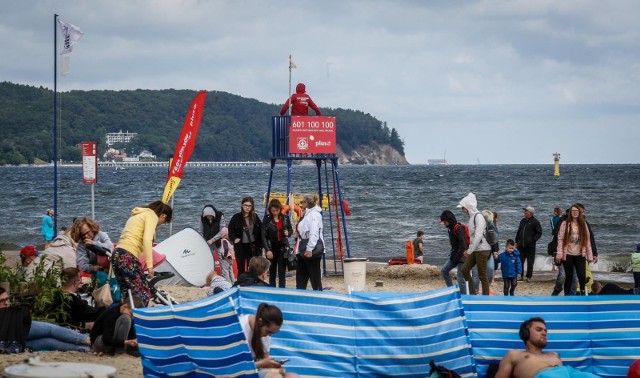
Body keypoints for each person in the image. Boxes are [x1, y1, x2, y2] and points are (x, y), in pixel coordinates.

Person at [112, 200, 173, 307]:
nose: (161, 224)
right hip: (127, 256)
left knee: (127, 293)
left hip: (117, 254)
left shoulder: (138, 214)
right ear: (163, 215)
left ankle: (123, 319)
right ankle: (138, 318)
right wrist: (150, 266)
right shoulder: (152, 215)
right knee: (143, 293)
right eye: (164, 222)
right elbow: (147, 240)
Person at [495, 317, 600, 378]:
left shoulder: (554, 354)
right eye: (539, 329)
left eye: (545, 331)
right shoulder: (514, 354)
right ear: (526, 333)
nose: (544, 333)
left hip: (569, 372)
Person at [0, 287, 91, 352]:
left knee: (49, 341)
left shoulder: (10, 312)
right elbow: (51, 330)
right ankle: (87, 341)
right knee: (50, 332)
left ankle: (87, 346)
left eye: (7, 299)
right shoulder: (9, 316)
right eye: (2, 301)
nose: (7, 303)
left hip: (14, 339)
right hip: (14, 331)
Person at [239, 303, 299, 378]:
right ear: (260, 321)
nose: (269, 336)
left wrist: (273, 365)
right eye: (268, 332)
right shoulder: (239, 329)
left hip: (255, 370)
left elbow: (265, 359)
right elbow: (233, 367)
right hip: (241, 372)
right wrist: (261, 364)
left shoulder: (264, 331)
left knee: (293, 376)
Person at [555, 204, 594, 295]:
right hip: (568, 254)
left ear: (579, 213)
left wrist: (590, 255)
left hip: (580, 254)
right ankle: (567, 296)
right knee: (569, 276)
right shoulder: (565, 223)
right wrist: (559, 254)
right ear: (570, 212)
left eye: (577, 211)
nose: (575, 213)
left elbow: (587, 240)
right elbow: (560, 239)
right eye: (573, 211)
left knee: (581, 275)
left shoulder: (583, 224)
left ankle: (583, 293)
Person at [458, 193, 491, 295]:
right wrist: (470, 249)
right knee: (465, 269)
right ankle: (472, 293)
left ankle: (485, 296)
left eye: (463, 208)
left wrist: (469, 251)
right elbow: (473, 237)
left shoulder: (478, 217)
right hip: (476, 249)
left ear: (468, 207)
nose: (462, 210)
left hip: (483, 249)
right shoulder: (472, 217)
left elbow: (478, 236)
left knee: (482, 275)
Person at [295, 194, 324, 291]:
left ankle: (318, 295)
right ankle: (300, 293)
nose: (301, 204)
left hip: (310, 248)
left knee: (314, 276)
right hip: (302, 246)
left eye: (302, 202)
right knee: (301, 276)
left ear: (306, 203)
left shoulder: (314, 214)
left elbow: (314, 232)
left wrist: (310, 248)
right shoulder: (306, 214)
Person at [229, 197, 263, 275]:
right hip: (240, 246)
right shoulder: (236, 217)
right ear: (242, 205)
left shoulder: (255, 217)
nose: (247, 207)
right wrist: (234, 239)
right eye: (245, 205)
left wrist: (261, 245)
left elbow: (261, 230)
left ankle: (251, 284)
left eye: (249, 206)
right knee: (240, 268)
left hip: (252, 246)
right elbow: (230, 230)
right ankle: (241, 284)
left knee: (252, 268)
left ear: (252, 207)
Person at [262, 199, 293, 288]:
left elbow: (290, 229)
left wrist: (288, 233)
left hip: (283, 247)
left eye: (277, 210)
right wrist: (267, 250)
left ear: (280, 209)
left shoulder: (285, 218)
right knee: (272, 271)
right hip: (272, 246)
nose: (275, 213)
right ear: (270, 210)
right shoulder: (267, 219)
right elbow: (263, 235)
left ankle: (282, 290)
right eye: (273, 211)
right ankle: (272, 290)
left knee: (282, 271)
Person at [439, 210, 467, 294]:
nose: (443, 223)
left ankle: (463, 297)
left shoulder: (458, 228)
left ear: (449, 220)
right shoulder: (450, 229)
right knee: (444, 270)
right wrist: (454, 257)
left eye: (444, 221)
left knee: (460, 278)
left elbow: (463, 245)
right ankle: (451, 290)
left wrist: (457, 257)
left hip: (462, 257)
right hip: (454, 256)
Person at [515, 206, 543, 282]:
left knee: (530, 262)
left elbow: (539, 232)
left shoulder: (535, 221)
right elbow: (519, 231)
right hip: (521, 245)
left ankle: (528, 277)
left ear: (530, 213)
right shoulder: (522, 221)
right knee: (520, 261)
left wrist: (533, 240)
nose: (524, 212)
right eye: (524, 211)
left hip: (530, 246)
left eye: (526, 211)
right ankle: (520, 276)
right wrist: (516, 241)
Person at [200, 204, 228, 277]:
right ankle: (210, 277)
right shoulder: (202, 218)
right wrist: (203, 240)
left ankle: (224, 276)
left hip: (218, 242)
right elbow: (201, 230)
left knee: (222, 260)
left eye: (210, 216)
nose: (209, 218)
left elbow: (223, 230)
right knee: (209, 260)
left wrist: (213, 240)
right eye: (207, 216)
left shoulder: (220, 216)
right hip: (208, 242)